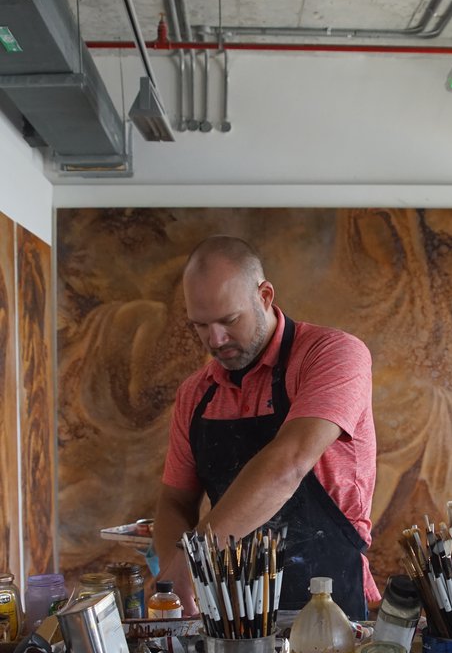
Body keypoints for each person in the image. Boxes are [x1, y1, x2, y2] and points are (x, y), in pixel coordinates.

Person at [154, 235, 379, 618]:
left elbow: (289, 463)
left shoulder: (333, 354)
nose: (215, 340)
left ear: (265, 296)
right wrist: (174, 577)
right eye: (200, 326)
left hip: (328, 608)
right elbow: (175, 502)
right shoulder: (196, 393)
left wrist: (192, 558)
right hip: (231, 616)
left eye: (229, 320)